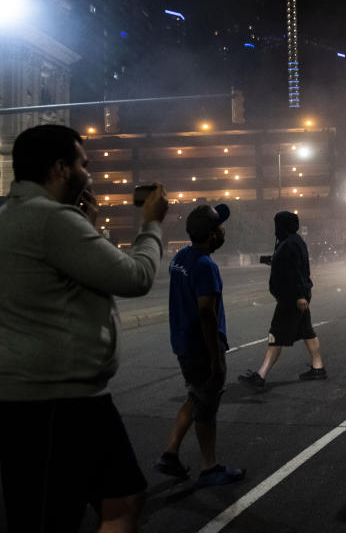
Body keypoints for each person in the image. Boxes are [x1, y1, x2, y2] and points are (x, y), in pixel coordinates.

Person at [0, 124, 168, 532]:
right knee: (51, 521)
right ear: (61, 169)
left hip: (62, 396)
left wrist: (87, 226)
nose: (91, 173)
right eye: (85, 163)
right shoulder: (49, 219)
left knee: (124, 498)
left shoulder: (24, 215)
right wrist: (151, 223)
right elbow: (135, 277)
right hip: (49, 400)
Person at [154, 204, 244, 487]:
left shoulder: (181, 257)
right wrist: (215, 358)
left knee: (195, 398)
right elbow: (206, 312)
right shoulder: (206, 266)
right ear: (211, 234)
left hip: (182, 343)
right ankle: (209, 467)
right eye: (220, 227)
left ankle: (170, 454)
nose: (224, 230)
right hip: (201, 349)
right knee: (206, 407)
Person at [239, 211, 325, 388]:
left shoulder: (289, 243)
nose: (275, 228)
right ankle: (318, 368)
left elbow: (297, 271)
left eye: (277, 224)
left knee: (276, 334)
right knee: (307, 332)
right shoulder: (293, 241)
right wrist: (270, 260)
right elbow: (286, 263)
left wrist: (300, 296)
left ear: (282, 225)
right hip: (296, 295)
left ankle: (260, 376)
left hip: (292, 297)